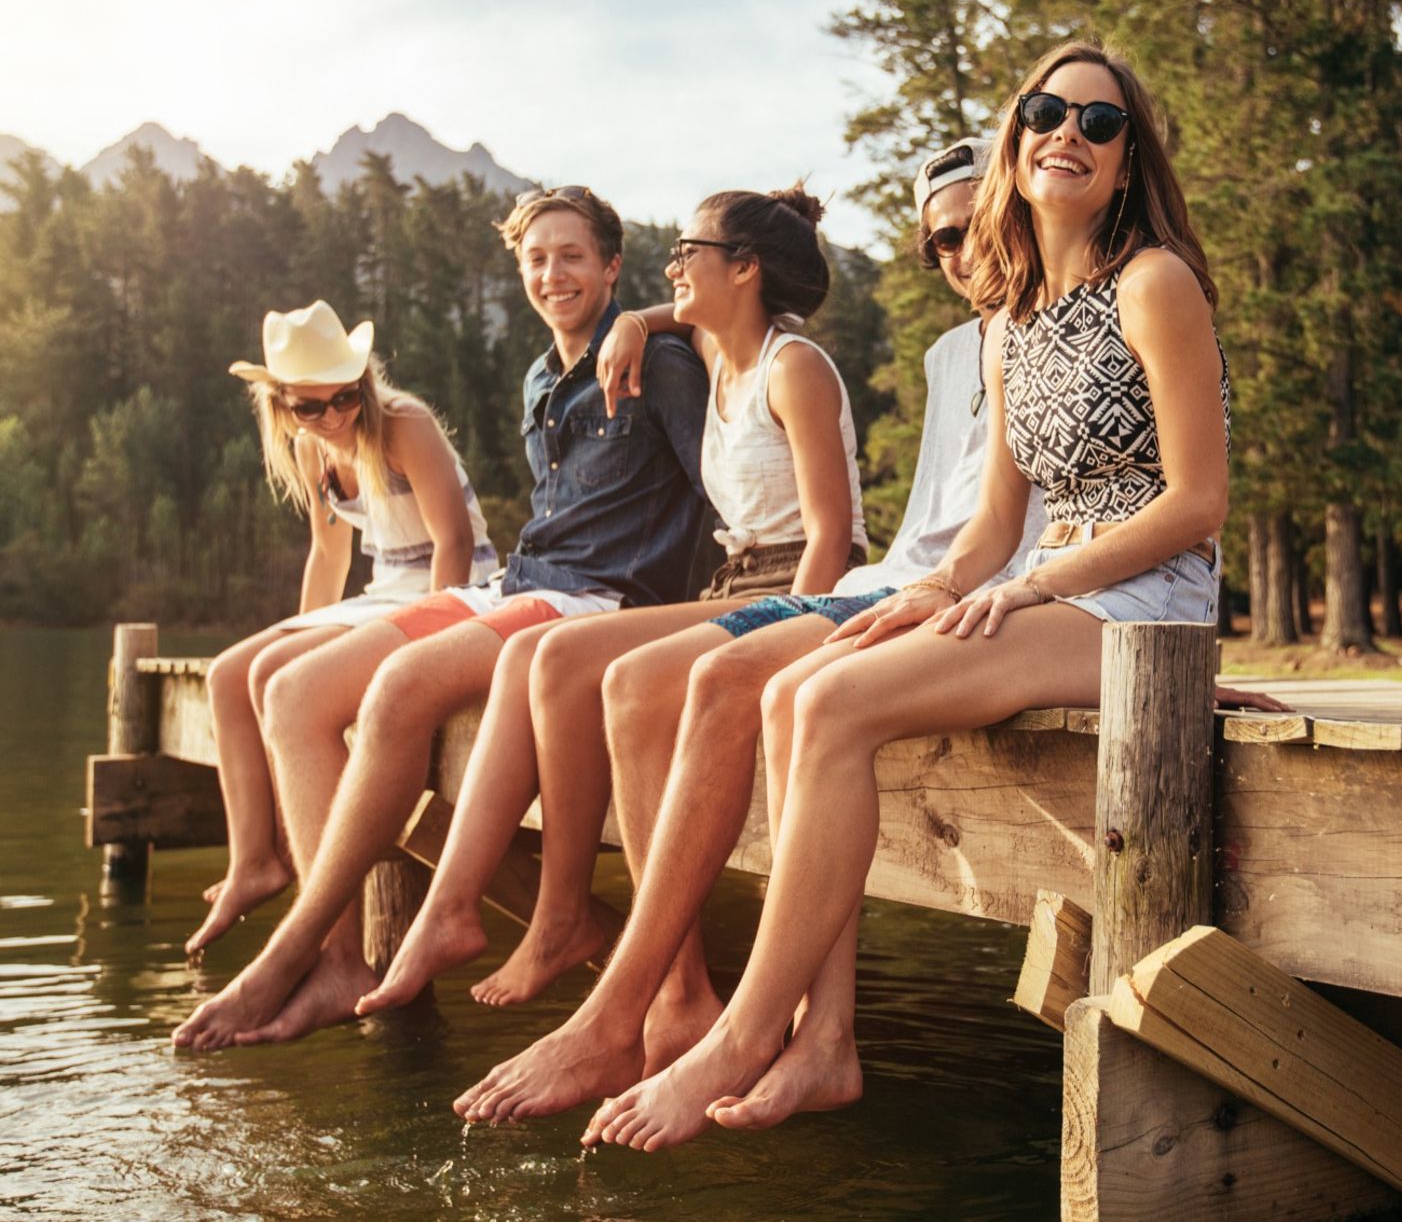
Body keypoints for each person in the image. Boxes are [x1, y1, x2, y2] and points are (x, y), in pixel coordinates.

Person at [562, 38, 1234, 1151]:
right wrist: (931, 595)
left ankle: (743, 1036)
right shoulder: (1011, 323)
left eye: (1101, 125)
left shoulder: (1154, 283)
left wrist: (1033, 587)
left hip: (1147, 600)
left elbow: (1197, 504)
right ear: (1015, 144)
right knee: (797, 689)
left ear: (1125, 164)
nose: (1071, 133)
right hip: (1043, 591)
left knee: (828, 707)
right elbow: (986, 532)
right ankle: (823, 1048)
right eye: (1047, 113)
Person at [445, 137, 1052, 1127]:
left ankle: (668, 1013)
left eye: (972, 227)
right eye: (937, 237)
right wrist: (639, 317)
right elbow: (940, 524)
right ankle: (685, 994)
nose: (956, 250)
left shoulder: (816, 363)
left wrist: (916, 597)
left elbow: (891, 533)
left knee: (765, 693)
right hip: (895, 580)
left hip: (937, 592)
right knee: (625, 680)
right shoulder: (956, 351)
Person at [171, 185, 710, 1051]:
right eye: (536, 258)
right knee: (295, 693)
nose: (552, 273)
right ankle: (340, 957)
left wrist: (651, 319)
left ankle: (298, 946)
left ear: (613, 265)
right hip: (527, 582)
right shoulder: (543, 376)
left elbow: (723, 466)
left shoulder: (663, 363)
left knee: (396, 693)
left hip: (598, 598)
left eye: (572, 255)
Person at [354, 183, 869, 1019]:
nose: (672, 267)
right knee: (549, 655)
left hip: (798, 583)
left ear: (743, 269)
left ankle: (668, 984)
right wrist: (635, 321)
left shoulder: (796, 367)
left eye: (687, 253)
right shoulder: (712, 355)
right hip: (730, 581)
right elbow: (680, 319)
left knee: (599, 670)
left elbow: (833, 535)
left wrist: (796, 636)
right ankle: (583, 928)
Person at [190, 300, 494, 955]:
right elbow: (328, 557)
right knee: (229, 674)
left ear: (362, 382)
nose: (332, 417)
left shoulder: (404, 425)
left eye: (345, 396)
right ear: (281, 405)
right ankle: (255, 861)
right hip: (381, 592)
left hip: (454, 592)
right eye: (310, 406)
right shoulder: (312, 450)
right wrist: (300, 638)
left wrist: (431, 654)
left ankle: (329, 926)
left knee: (278, 678)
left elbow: (457, 544)